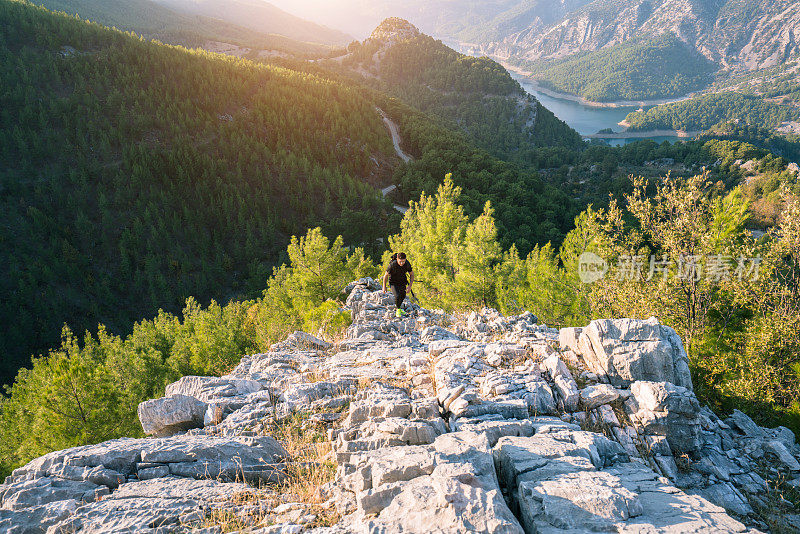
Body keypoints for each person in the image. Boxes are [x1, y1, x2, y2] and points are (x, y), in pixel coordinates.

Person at [382, 252, 414, 317]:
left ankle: (399, 308)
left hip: (402, 281)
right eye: (400, 261)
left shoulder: (407, 264)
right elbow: (385, 275)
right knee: (397, 295)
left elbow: (412, 274)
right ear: (397, 259)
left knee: (403, 295)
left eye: (403, 261)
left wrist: (410, 286)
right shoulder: (392, 265)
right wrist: (384, 286)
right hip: (393, 282)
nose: (402, 263)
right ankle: (398, 309)